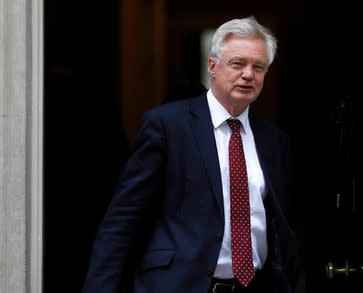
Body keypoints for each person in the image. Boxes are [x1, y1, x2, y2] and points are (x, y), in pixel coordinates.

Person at [82, 16, 300, 293]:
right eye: (238, 64)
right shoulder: (167, 126)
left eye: (258, 67)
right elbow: (124, 219)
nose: (248, 74)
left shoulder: (274, 139)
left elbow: (281, 225)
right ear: (212, 66)